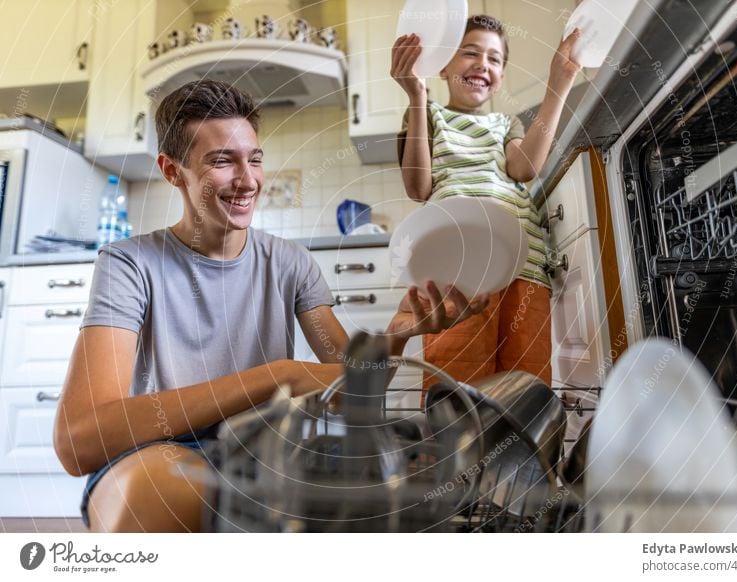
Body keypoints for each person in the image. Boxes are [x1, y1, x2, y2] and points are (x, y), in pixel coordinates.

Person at [54, 79, 489, 532]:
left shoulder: (290, 263)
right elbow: (79, 441)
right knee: (168, 492)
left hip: (269, 450)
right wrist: (276, 377)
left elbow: (352, 390)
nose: (247, 180)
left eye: (255, 159)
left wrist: (397, 337)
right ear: (171, 170)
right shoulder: (129, 265)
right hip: (158, 451)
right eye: (222, 161)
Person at [392, 15, 582, 389]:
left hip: (522, 269)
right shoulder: (429, 115)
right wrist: (416, 96)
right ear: (443, 66)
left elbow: (524, 168)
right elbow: (418, 187)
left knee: (525, 388)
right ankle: (459, 450)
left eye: (495, 59)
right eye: (470, 53)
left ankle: (521, 449)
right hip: (458, 272)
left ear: (500, 76)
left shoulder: (504, 123)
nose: (483, 64)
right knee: (457, 389)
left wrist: (559, 83)